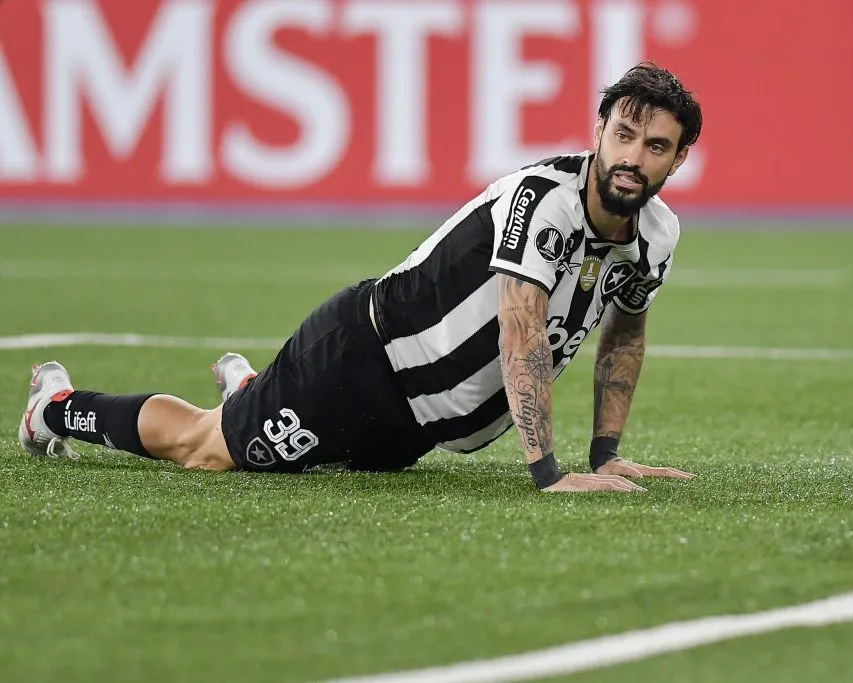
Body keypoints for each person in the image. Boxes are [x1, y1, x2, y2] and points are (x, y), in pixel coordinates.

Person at [18, 62, 701, 493]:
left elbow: (623, 338)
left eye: (655, 146)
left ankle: (252, 391)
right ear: (599, 130)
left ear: (677, 159)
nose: (632, 157)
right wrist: (548, 474)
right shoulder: (542, 200)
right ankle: (54, 407)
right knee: (207, 448)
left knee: (287, 461)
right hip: (360, 360)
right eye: (623, 134)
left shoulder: (656, 235)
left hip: (416, 424)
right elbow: (520, 334)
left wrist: (606, 453)